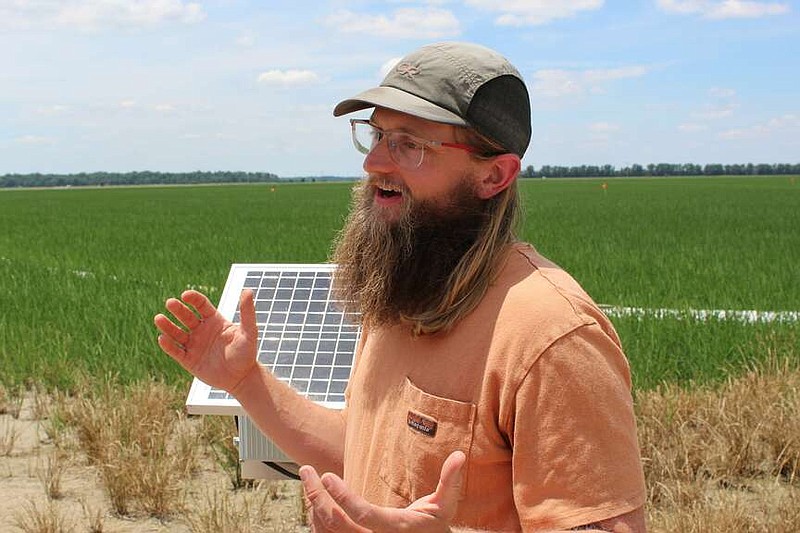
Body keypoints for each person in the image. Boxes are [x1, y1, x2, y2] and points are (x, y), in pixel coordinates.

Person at [154, 41, 646, 532]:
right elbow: (365, 453)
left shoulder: (551, 337)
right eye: (377, 137)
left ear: (494, 175)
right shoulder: (402, 289)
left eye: (409, 145)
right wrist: (246, 383)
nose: (375, 164)